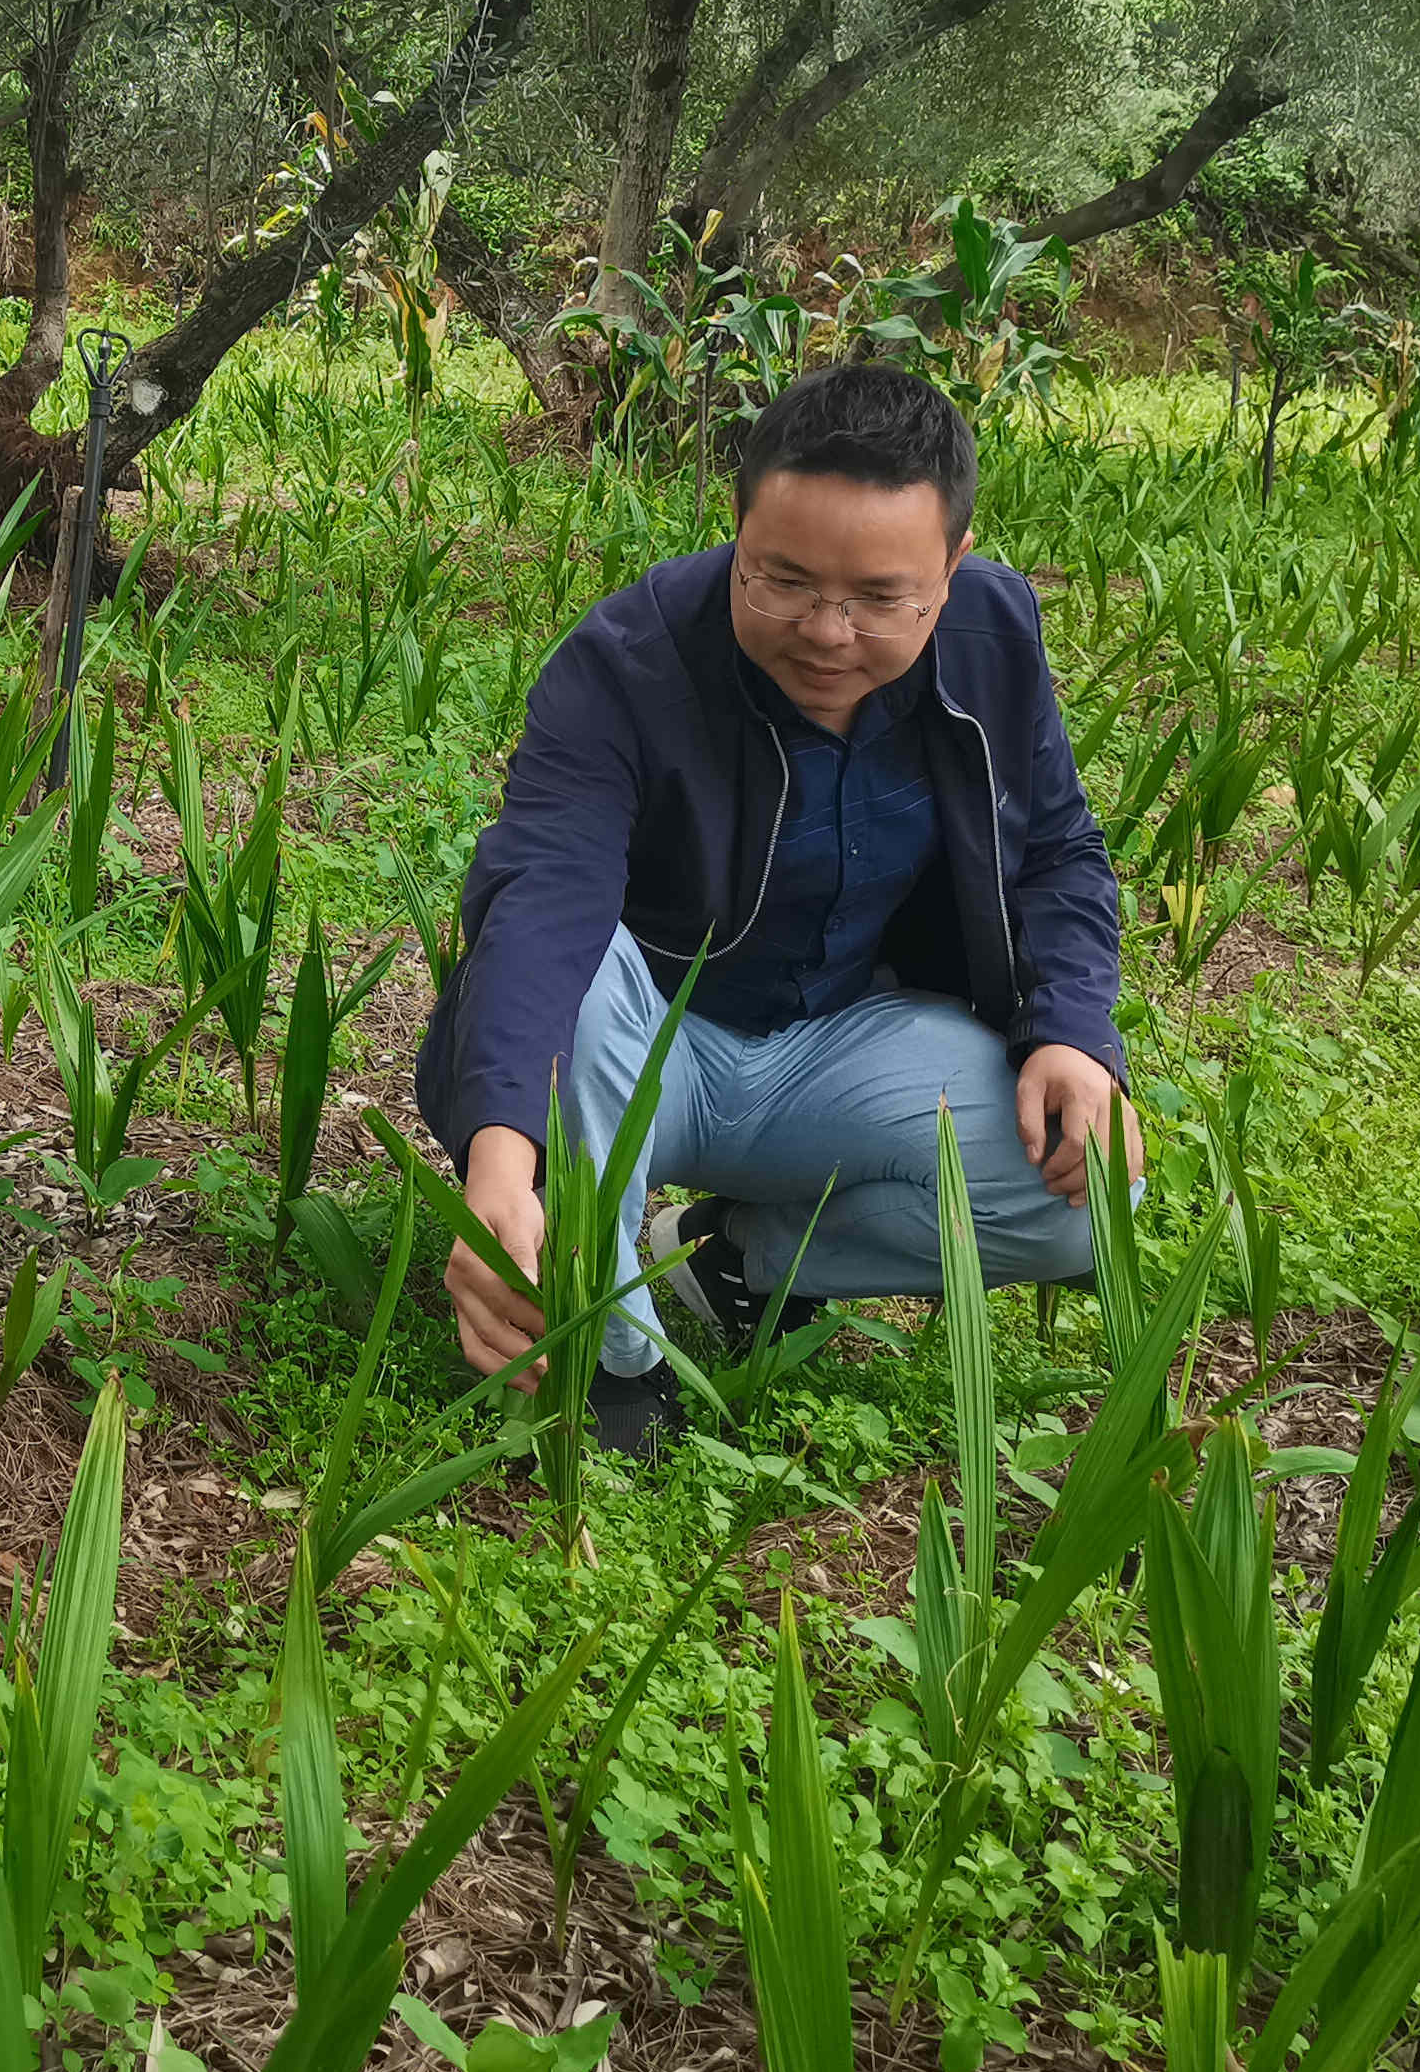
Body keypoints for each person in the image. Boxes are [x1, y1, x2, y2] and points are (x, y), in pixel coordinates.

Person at [415, 360, 1130, 1447]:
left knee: (1076, 1196)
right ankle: (612, 1359)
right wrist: (501, 1160)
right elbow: (541, 897)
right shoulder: (628, 662)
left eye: (880, 599)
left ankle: (736, 1258)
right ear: (736, 531)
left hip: (841, 1043)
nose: (826, 632)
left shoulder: (993, 641)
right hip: (644, 1041)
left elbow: (1059, 851)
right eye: (781, 582)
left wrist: (1074, 1033)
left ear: (952, 570)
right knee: (583, 971)